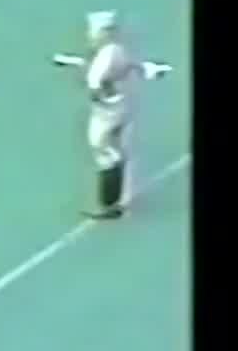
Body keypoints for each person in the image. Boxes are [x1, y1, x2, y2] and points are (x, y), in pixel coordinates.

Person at [54, 11, 173, 219]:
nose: (90, 34)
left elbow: (95, 81)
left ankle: (109, 203)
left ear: (102, 32)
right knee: (113, 147)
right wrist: (70, 61)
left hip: (107, 110)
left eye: (93, 30)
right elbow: (128, 66)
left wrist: (99, 97)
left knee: (103, 149)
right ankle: (116, 198)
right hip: (120, 106)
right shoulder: (117, 50)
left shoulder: (106, 56)